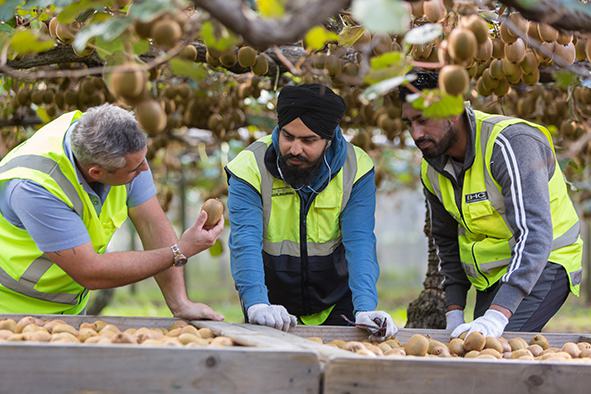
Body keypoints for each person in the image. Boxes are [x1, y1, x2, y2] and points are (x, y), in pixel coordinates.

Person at [400, 72, 583, 338]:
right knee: (475, 348)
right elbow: (446, 241)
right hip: (493, 277)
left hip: (545, 263)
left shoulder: (510, 144)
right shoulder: (431, 169)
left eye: (423, 120)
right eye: (409, 123)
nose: (416, 134)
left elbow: (534, 234)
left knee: (490, 349)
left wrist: (497, 316)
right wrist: (454, 312)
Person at [0, 104, 225, 319]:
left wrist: (180, 303)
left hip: (68, 310)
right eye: (135, 168)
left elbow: (151, 225)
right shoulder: (35, 188)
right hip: (10, 309)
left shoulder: (122, 153)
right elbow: (90, 271)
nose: (145, 169)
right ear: (96, 172)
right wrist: (180, 250)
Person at [225, 84, 396, 339]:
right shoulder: (249, 167)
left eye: (308, 140)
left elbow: (359, 241)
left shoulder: (356, 168)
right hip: (273, 306)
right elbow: (245, 240)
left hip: (339, 303)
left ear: (329, 139)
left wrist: (365, 307)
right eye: (288, 136)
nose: (295, 149)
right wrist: (256, 302)